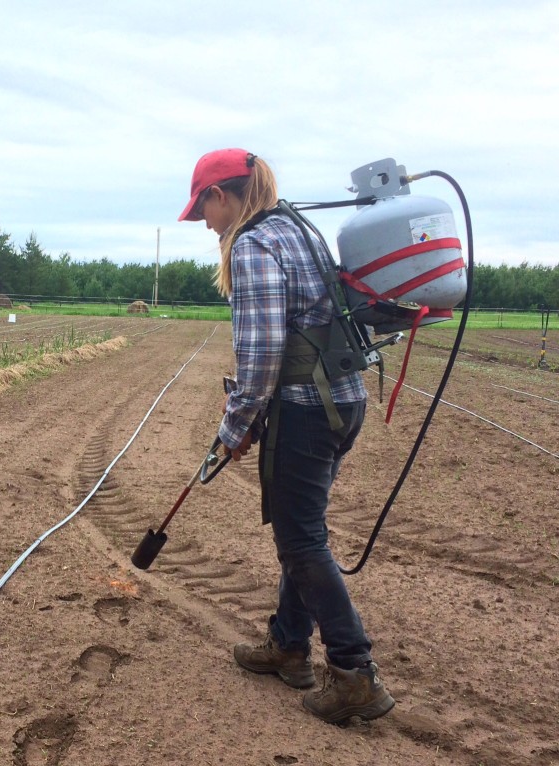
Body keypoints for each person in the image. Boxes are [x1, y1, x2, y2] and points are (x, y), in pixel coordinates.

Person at [177, 148, 395, 723]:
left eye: (203, 211)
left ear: (220, 195)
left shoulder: (252, 245)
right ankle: (289, 645)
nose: (205, 225)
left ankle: (354, 673)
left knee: (301, 542)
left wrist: (234, 428)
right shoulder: (299, 227)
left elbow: (262, 353)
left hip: (303, 410)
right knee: (303, 529)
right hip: (343, 402)